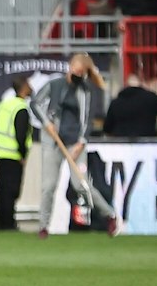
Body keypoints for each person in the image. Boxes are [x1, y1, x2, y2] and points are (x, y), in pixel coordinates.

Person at [28, 53, 115, 237]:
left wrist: (81, 143)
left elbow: (87, 119)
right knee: (48, 185)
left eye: (81, 72)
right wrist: (46, 122)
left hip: (74, 143)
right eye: (75, 71)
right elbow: (35, 104)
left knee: (81, 184)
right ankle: (43, 226)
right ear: (69, 68)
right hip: (53, 142)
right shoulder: (55, 85)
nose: (77, 75)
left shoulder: (85, 91)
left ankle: (109, 215)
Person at [0, 77, 33, 231]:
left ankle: (1, 222)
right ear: (23, 87)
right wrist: (23, 154)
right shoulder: (20, 108)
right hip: (13, 155)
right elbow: (20, 134)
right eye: (28, 84)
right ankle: (8, 224)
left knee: (2, 189)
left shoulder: (3, 105)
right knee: (12, 190)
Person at [103, 73, 157, 138]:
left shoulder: (115, 103)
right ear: (141, 83)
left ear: (126, 85)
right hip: (148, 142)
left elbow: (107, 129)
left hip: (122, 145)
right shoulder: (152, 98)